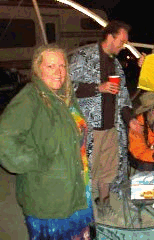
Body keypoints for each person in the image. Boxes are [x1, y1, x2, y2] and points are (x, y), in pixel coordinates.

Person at [0, 44, 93, 239]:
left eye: (62, 66)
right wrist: (38, 161)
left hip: (76, 188)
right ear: (37, 68)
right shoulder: (30, 98)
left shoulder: (65, 95)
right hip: (49, 196)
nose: (59, 72)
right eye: (50, 66)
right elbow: (4, 139)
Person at [69, 20, 141, 220]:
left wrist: (130, 119)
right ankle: (80, 210)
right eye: (122, 41)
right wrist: (96, 88)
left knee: (108, 171)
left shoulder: (115, 63)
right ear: (110, 37)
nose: (124, 45)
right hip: (88, 128)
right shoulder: (84, 56)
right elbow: (67, 85)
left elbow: (123, 95)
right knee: (83, 170)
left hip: (111, 128)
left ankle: (104, 203)